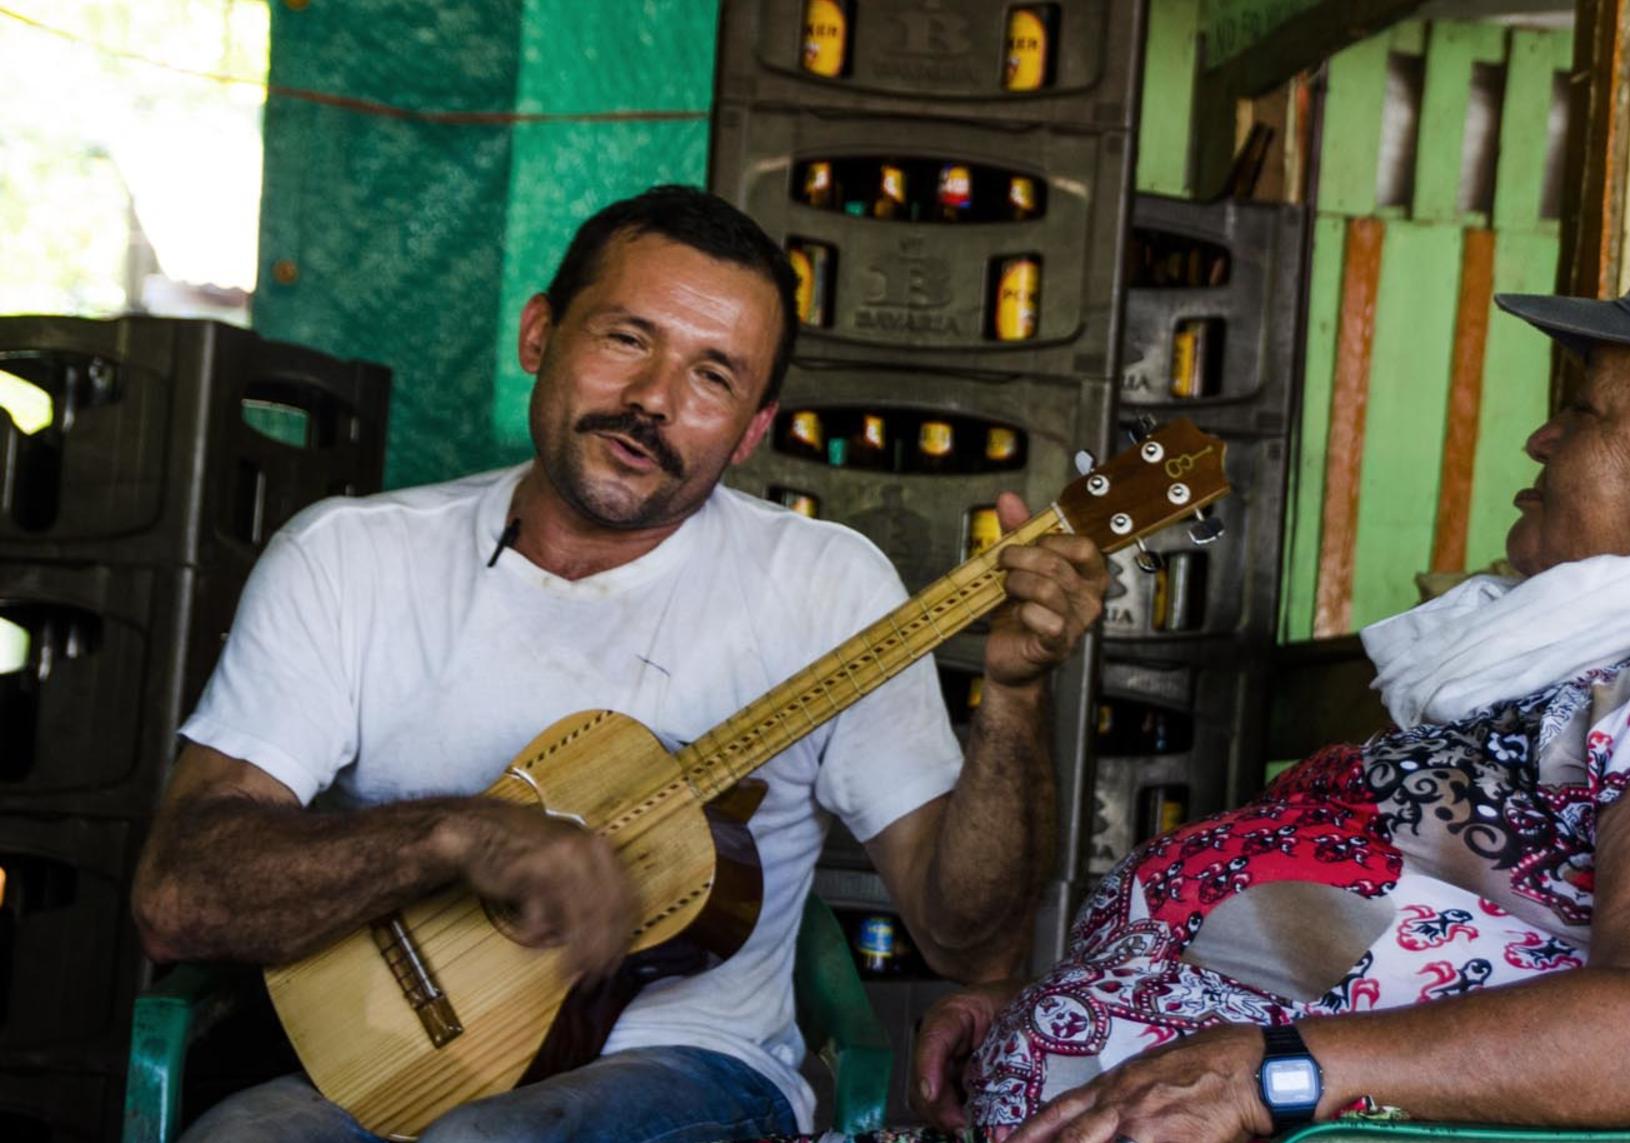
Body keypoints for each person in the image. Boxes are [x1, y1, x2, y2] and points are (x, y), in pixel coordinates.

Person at [892, 238, 1630, 1143]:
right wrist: (1080, 998)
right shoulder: (1622, 663)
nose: (1541, 435)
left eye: (1589, 411)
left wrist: (1261, 1076)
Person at [129, 185, 1109, 1141]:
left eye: (712, 376)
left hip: (692, 1071)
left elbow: (971, 939)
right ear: (537, 334)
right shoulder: (348, 557)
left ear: (752, 433)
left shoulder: (827, 588)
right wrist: (455, 839)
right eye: (626, 338)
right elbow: (178, 902)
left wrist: (1014, 696)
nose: (652, 401)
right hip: (387, 1062)